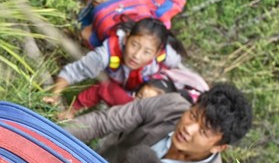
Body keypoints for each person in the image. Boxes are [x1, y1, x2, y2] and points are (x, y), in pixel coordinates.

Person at [62, 82, 254, 163]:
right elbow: (102, 122)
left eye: (203, 132)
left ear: (219, 147)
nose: (188, 128)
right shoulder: (169, 105)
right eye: (193, 115)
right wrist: (53, 135)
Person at [42, 18, 184, 116]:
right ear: (126, 38)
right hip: (122, 84)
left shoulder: (168, 58)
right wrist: (54, 94)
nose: (137, 56)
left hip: (139, 86)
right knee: (109, 90)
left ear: (157, 52)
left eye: (147, 52)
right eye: (134, 45)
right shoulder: (106, 54)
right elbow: (74, 71)